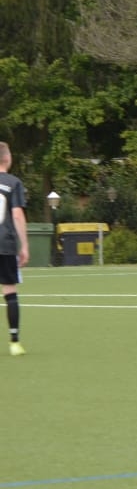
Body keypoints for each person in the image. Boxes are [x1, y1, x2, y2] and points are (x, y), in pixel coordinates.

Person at [0, 142, 30, 356]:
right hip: (5, 244)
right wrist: (24, 246)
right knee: (9, 291)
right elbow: (17, 215)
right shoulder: (13, 182)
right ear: (7, 158)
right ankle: (14, 342)